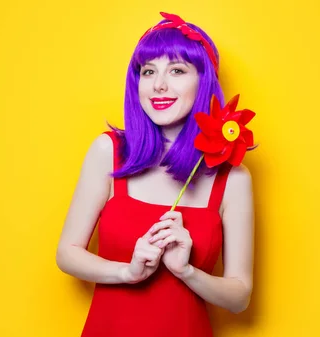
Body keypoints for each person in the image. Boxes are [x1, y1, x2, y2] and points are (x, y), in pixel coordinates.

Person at [55, 12, 255, 337]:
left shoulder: (233, 177)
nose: (159, 84)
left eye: (177, 70)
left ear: (203, 82)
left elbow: (240, 296)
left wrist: (187, 271)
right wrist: (127, 272)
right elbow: (67, 254)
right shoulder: (109, 152)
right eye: (148, 71)